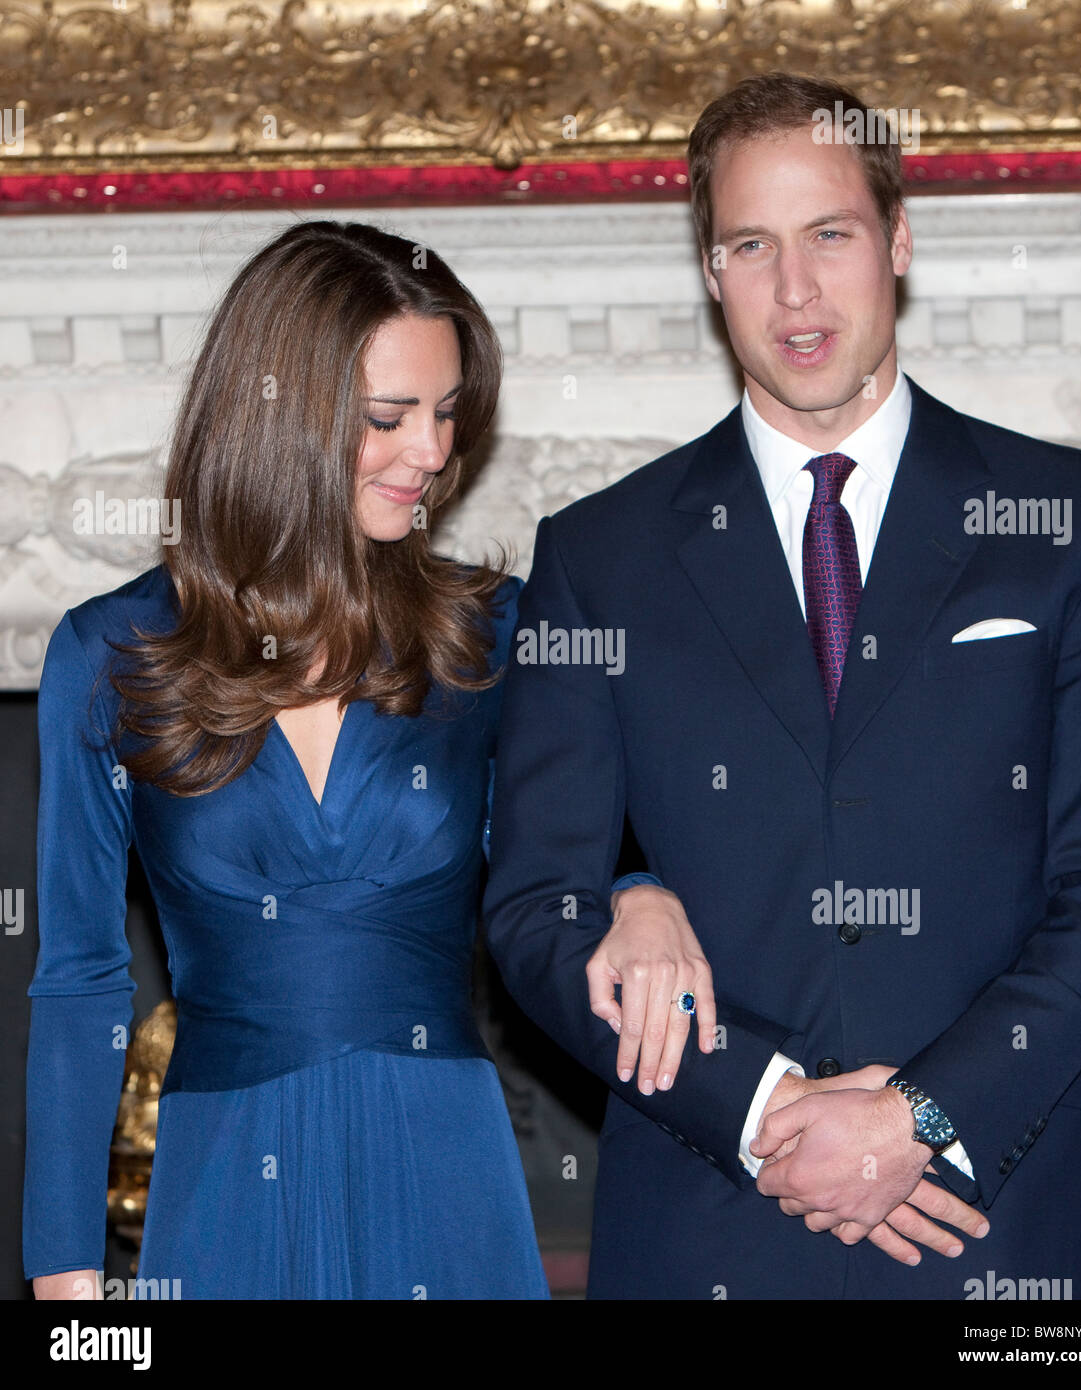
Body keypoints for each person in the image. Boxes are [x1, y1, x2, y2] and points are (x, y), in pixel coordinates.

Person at [483, 72, 1081, 1299]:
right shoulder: (598, 556)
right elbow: (535, 908)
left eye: (830, 233)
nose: (795, 290)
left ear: (896, 239)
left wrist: (918, 1116)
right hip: (708, 1219)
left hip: (997, 1230)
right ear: (710, 269)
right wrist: (766, 1108)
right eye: (751, 244)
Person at [22, 220, 675, 1300]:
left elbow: (594, 843)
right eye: (390, 416)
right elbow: (81, 982)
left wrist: (645, 893)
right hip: (222, 1182)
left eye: (449, 414)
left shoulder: (495, 633)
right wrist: (67, 1294)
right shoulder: (108, 653)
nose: (432, 451)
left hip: (446, 1168)